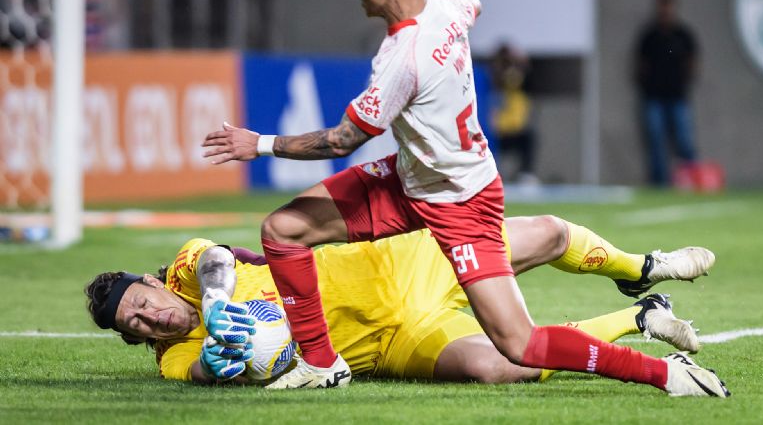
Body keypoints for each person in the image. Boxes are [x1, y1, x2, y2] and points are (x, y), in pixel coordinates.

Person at [201, 0, 722, 396]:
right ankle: (321, 362)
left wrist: (260, 144)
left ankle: (667, 373)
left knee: (517, 345)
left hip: (460, 202)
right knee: (283, 229)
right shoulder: (450, 4)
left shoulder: (400, 58)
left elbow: (340, 142)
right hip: (411, 179)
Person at [86, 215, 722, 392]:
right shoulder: (174, 359)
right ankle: (641, 316)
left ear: (154, 281)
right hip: (391, 343)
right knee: (506, 365)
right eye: (137, 326)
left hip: (405, 260)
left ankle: (638, 271)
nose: (151, 317)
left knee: (551, 236)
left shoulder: (190, 272)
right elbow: (199, 372)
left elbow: (219, 256)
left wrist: (221, 303)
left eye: (142, 301)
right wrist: (220, 365)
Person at [634, 0, 700, 186]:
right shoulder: (650, 36)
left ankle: (692, 180)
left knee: (684, 140)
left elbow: (693, 63)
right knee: (656, 140)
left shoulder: (683, 35)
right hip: (654, 96)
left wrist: (684, 81)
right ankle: (660, 183)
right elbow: (641, 65)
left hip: (678, 96)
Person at [489, 43, 538, 184]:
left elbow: (527, 78)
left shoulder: (520, 79)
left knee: (529, 139)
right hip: (498, 130)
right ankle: (491, 174)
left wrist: (521, 62)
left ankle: (525, 173)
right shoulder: (494, 79)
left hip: (516, 128)